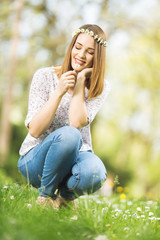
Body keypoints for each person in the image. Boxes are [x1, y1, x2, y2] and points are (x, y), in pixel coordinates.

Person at [17, 24, 110, 209]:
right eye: (78, 47)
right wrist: (59, 91)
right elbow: (35, 130)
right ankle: (44, 197)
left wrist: (80, 81)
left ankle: (64, 199)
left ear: (97, 57)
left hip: (77, 155)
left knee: (96, 173)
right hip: (35, 159)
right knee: (70, 135)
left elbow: (76, 121)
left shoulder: (100, 88)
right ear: (71, 47)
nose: (81, 55)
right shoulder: (44, 76)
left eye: (90, 52)